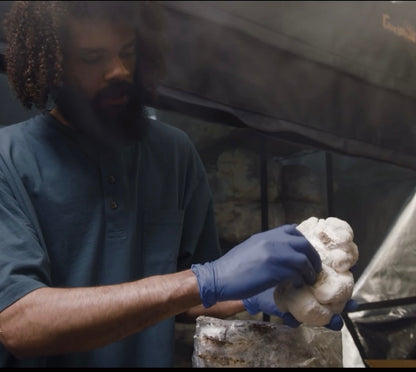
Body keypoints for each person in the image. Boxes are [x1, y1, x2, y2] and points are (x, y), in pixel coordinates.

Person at [0, 1, 355, 367]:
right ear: (53, 67)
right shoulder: (8, 160)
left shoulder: (173, 153)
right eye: (92, 58)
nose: (119, 71)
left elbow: (187, 295)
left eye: (128, 53)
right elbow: (19, 322)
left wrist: (255, 294)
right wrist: (207, 279)